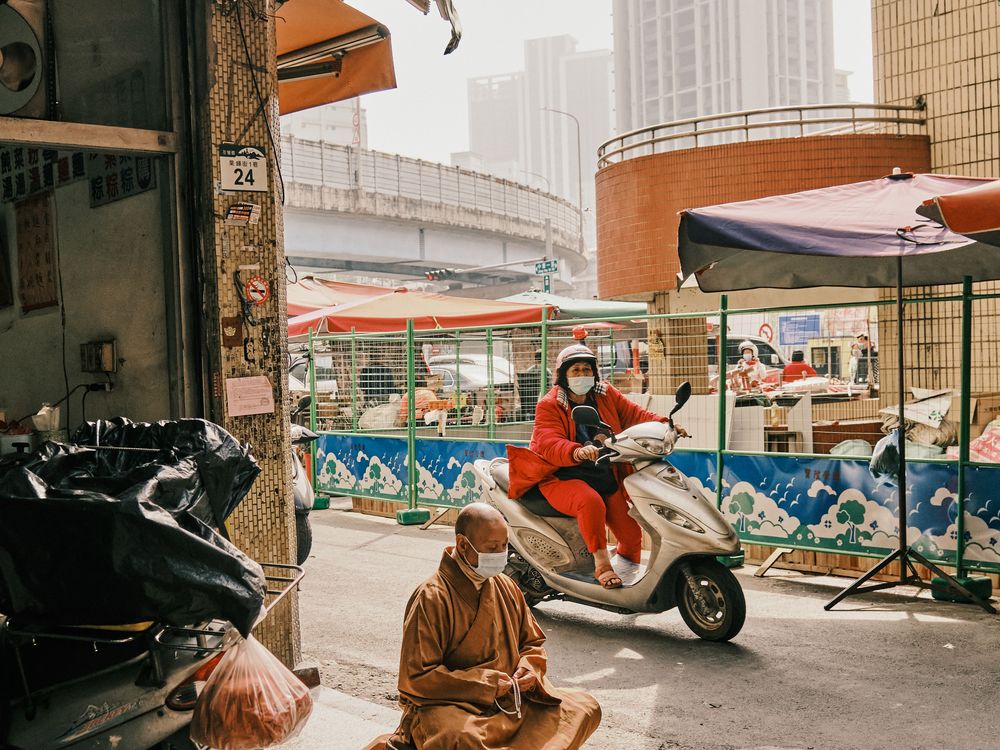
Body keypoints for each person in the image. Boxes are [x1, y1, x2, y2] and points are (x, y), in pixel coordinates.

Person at [364, 503, 601, 750]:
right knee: (463, 738)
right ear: (463, 545)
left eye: (504, 546)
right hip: (453, 705)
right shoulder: (432, 597)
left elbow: (532, 643)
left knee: (584, 707)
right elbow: (416, 678)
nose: (500, 554)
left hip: (511, 701)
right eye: (492, 548)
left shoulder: (506, 586)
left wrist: (528, 669)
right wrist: (484, 684)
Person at [506, 344, 684, 589]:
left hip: (601, 473)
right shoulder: (550, 404)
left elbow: (635, 414)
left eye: (586, 369)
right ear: (563, 375)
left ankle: (630, 583)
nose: (582, 375)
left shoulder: (605, 393)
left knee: (631, 535)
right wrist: (575, 450)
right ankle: (602, 565)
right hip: (560, 475)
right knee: (590, 502)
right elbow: (547, 440)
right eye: (576, 370)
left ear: (594, 373)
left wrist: (666, 425)